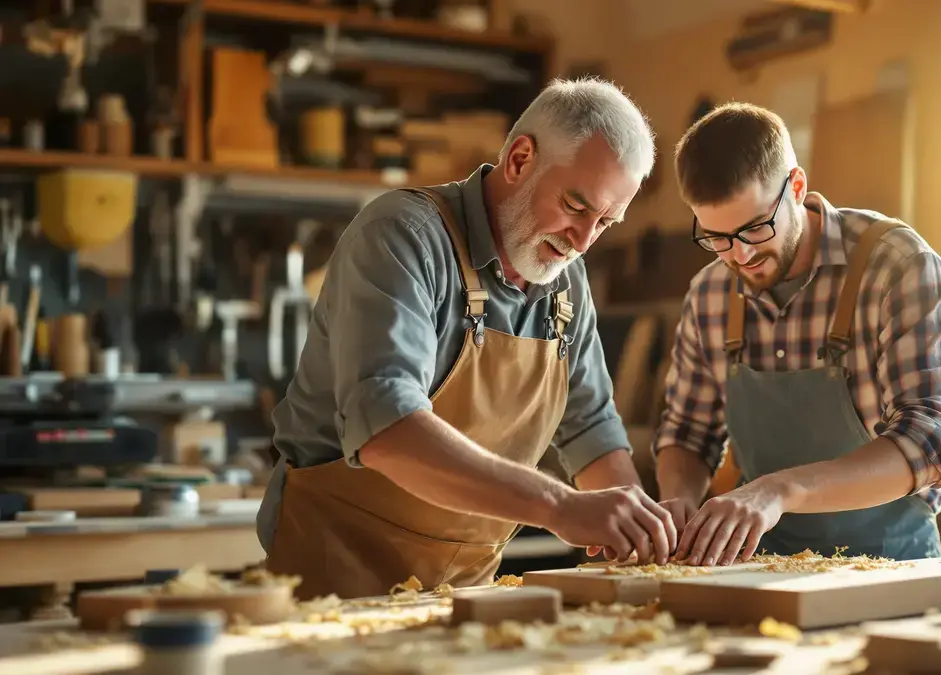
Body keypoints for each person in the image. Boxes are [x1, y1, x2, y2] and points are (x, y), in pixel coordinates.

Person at [259, 78, 678, 600]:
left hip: (464, 596)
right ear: (520, 159)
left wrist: (639, 532)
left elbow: (590, 426)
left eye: (606, 223)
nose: (583, 241)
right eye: (575, 206)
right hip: (334, 583)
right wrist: (560, 506)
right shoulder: (403, 235)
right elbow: (387, 427)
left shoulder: (565, 280)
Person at [654, 102, 941, 567]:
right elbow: (688, 432)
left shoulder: (897, 266)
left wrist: (780, 490)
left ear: (797, 187)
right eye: (717, 237)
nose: (740, 256)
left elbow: (930, 442)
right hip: (761, 570)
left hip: (891, 566)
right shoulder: (710, 293)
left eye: (755, 228)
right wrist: (678, 501)